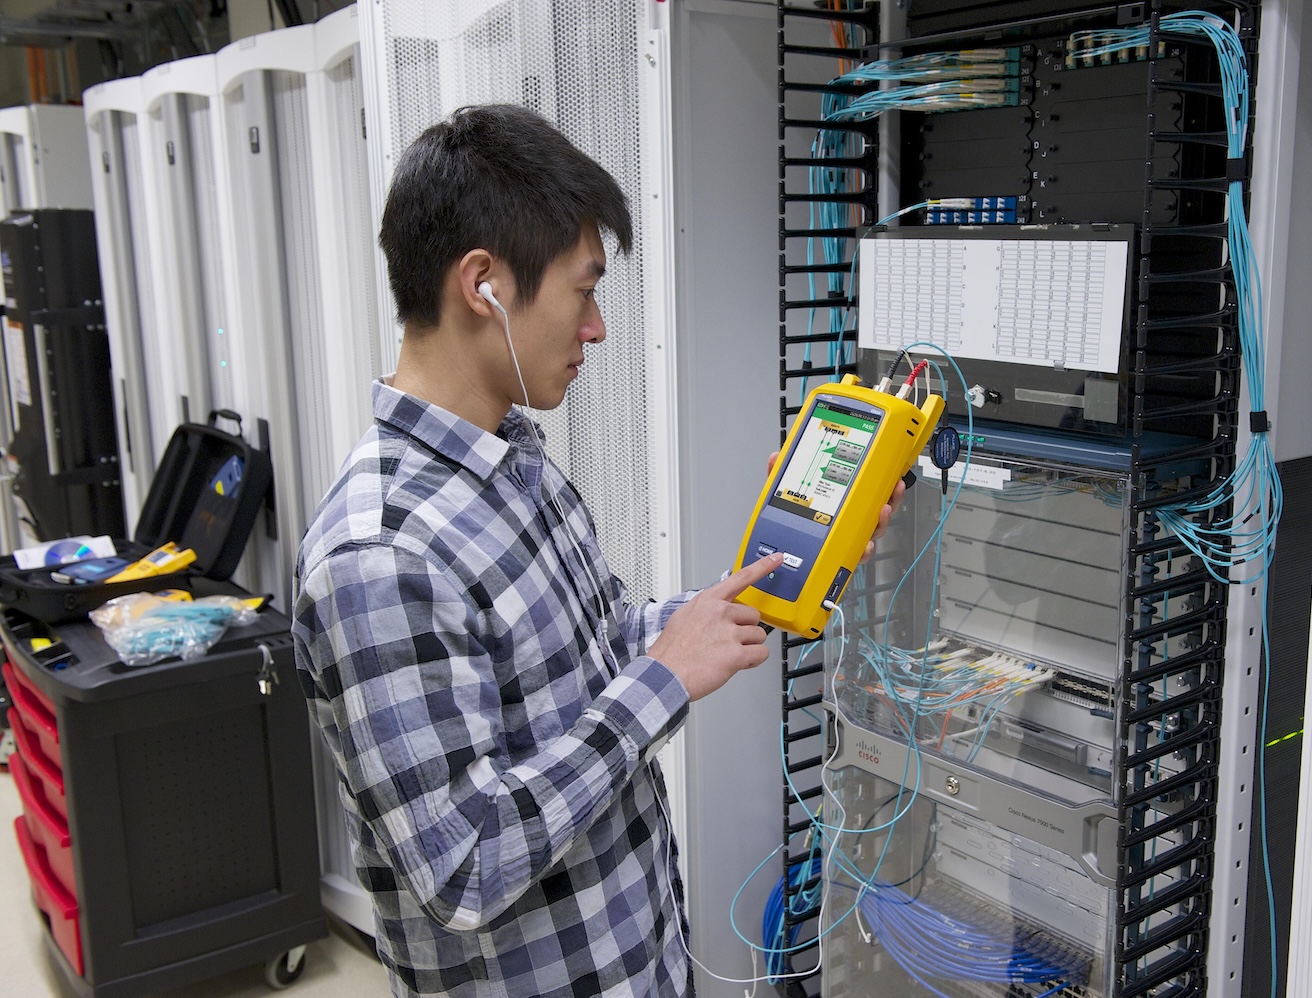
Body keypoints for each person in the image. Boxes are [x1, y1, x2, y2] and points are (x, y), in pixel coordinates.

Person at [291, 104, 899, 998]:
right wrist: (664, 683)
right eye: (583, 290)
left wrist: (781, 579)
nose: (598, 326)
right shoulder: (381, 554)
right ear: (484, 286)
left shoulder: (514, 460)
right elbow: (464, 864)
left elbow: (599, 643)